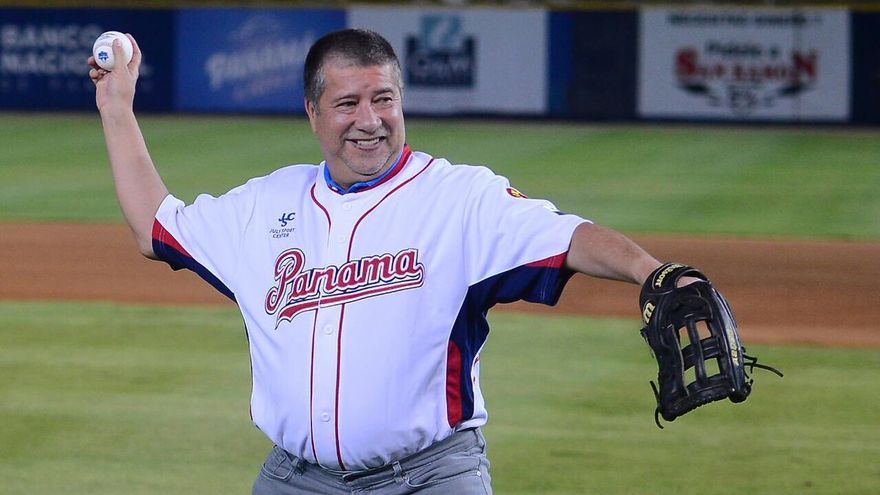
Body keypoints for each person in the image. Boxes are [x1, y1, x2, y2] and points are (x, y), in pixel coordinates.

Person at [90, 28, 663, 494]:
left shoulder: (459, 198)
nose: (369, 119)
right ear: (313, 113)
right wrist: (117, 107)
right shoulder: (263, 205)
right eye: (348, 103)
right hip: (297, 479)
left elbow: (569, 236)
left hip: (431, 477)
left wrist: (651, 271)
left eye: (383, 99)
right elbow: (156, 226)